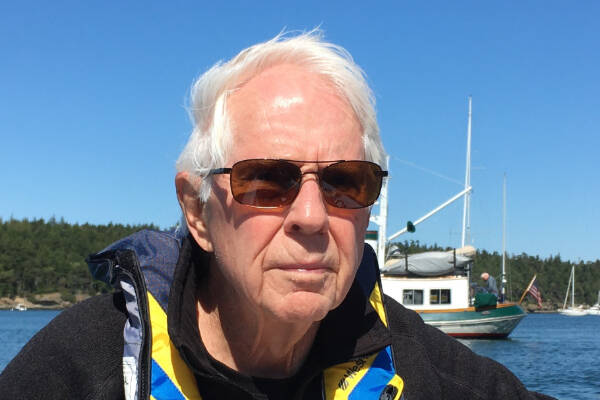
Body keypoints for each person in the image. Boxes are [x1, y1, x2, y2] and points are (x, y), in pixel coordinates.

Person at [0, 31, 555, 400]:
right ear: (197, 211)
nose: (312, 217)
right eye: (266, 181)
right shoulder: (81, 368)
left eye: (345, 182)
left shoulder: (421, 367)